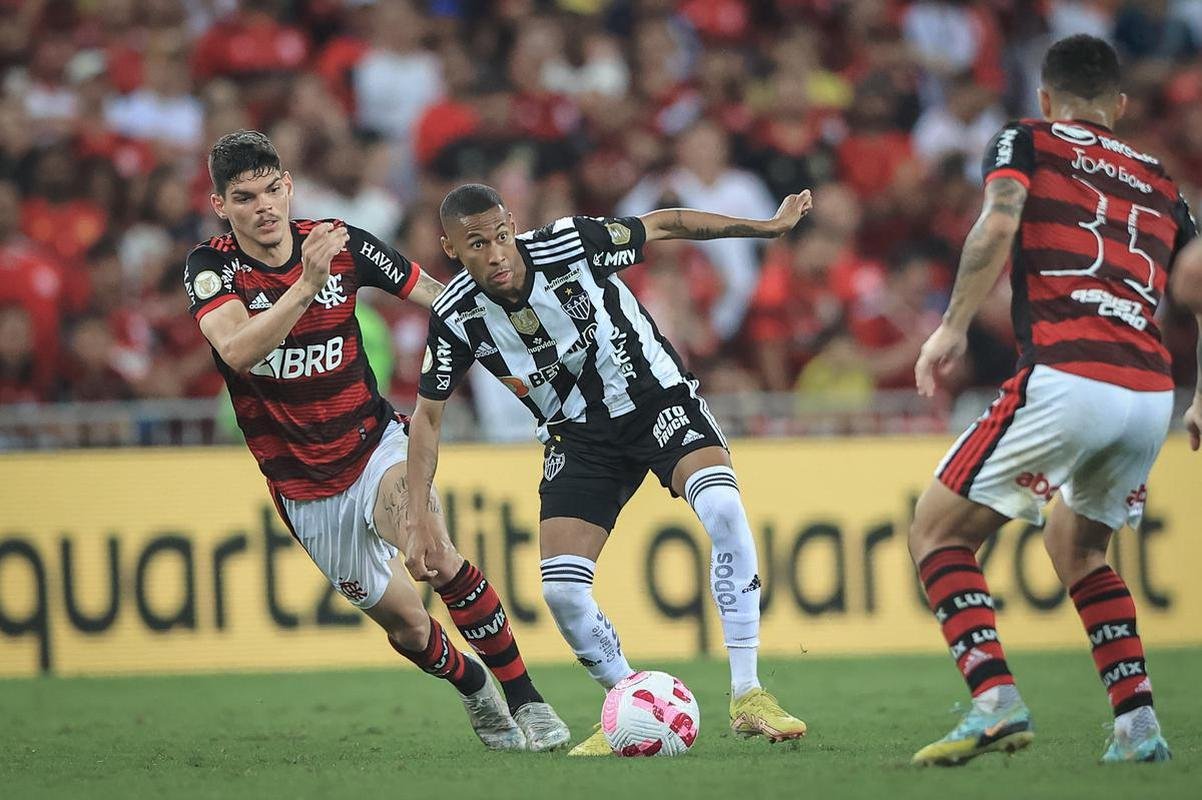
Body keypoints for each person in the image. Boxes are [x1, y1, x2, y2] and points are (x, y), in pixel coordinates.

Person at [182, 130, 569, 752]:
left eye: (271, 189)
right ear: (221, 205)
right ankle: (472, 684)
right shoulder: (211, 267)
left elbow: (436, 296)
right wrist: (305, 286)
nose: (264, 206)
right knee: (410, 628)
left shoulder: (340, 241)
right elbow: (237, 352)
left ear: (288, 185)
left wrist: (522, 333)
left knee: (434, 556)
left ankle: (529, 702)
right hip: (305, 488)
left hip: (375, 447)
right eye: (244, 196)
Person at [404, 181, 813, 755]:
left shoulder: (568, 244)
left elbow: (665, 224)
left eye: (501, 236)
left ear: (513, 224)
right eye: (476, 245)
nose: (495, 254)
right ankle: (628, 703)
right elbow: (426, 418)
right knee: (563, 592)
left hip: (653, 398)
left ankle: (748, 694)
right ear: (450, 249)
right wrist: (421, 515)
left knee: (722, 506)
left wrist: (765, 229)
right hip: (578, 436)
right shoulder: (453, 316)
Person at [909, 35, 1197, 766]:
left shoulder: (1026, 138)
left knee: (938, 532)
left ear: (1046, 97)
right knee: (1078, 547)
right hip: (1150, 394)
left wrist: (951, 327)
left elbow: (1001, 221)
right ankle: (1137, 728)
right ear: (1119, 106)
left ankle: (994, 701)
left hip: (1071, 372)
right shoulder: (1163, 179)